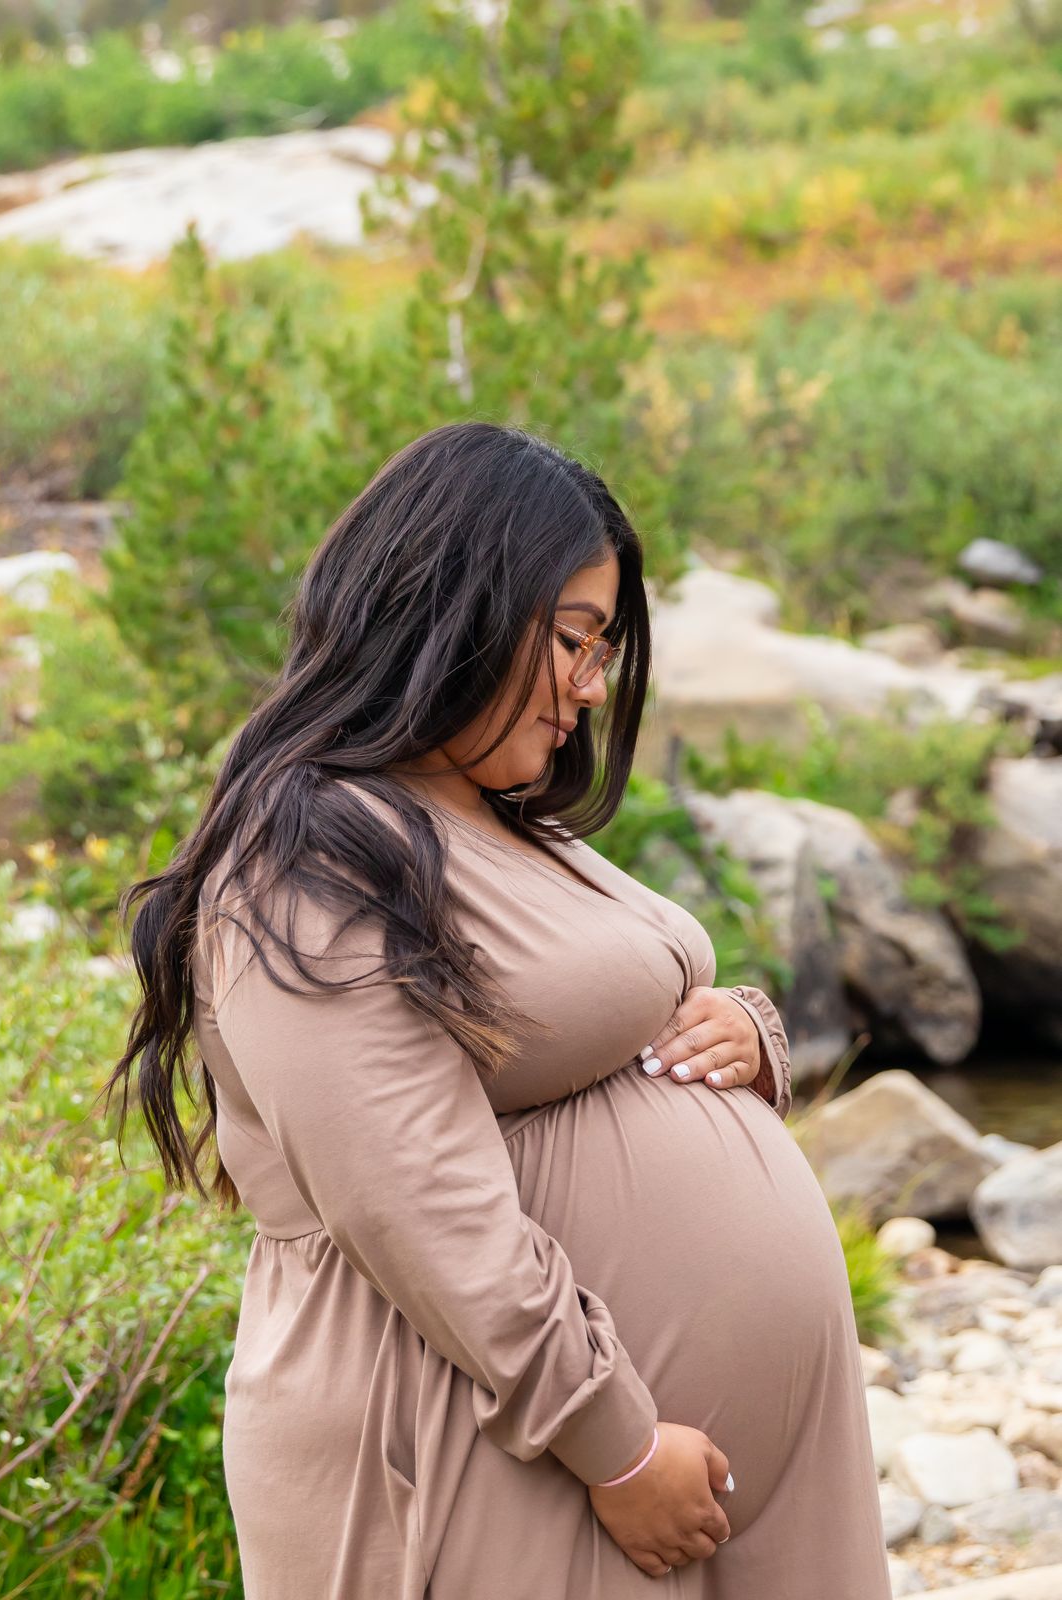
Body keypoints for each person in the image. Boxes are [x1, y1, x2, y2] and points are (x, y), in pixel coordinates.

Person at [107, 420, 892, 1598]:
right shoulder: (302, 851)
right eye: (573, 638)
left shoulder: (491, 813)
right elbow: (412, 1196)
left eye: (604, 646)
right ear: (456, 609)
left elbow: (605, 1002)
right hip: (478, 1444)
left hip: (659, 1463)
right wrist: (616, 1443)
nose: (592, 683)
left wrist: (741, 1028)